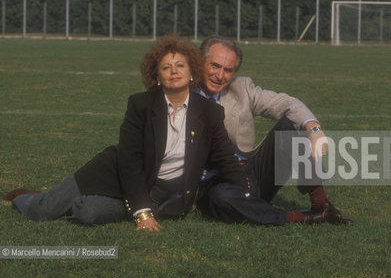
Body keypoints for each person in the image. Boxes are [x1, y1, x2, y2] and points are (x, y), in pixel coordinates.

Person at [3, 35, 250, 231]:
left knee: (88, 213)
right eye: (166, 67)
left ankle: (81, 202)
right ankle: (23, 197)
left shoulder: (208, 111)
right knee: (43, 212)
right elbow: (130, 163)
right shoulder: (140, 105)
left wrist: (248, 195)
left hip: (150, 189)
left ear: (192, 72)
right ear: (156, 78)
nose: (174, 71)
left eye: (180, 65)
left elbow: (226, 158)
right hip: (113, 174)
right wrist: (142, 214)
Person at [194, 35, 353, 225]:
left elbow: (288, 103)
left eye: (228, 70)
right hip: (215, 184)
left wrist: (314, 129)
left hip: (251, 173)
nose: (220, 76)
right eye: (215, 66)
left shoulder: (242, 88)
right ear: (199, 62)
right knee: (221, 198)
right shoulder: (181, 93)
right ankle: (301, 218)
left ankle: (321, 205)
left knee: (292, 124)